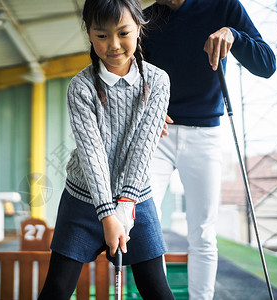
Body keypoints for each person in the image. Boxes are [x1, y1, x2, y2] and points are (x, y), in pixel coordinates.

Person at [38, 0, 175, 299]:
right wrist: (107, 215)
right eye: (102, 35)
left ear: (139, 28)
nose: (113, 45)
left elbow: (142, 147)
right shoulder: (81, 87)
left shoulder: (158, 82)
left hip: (136, 196)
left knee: (157, 289)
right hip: (83, 199)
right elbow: (92, 155)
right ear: (89, 34)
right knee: (58, 289)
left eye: (123, 32)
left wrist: (126, 206)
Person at [141, 0, 276, 299]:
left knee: (202, 232)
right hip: (156, 133)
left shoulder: (224, 6)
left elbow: (267, 65)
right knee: (146, 228)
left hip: (205, 134)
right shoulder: (145, 18)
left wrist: (235, 36)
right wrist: (145, 105)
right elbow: (134, 75)